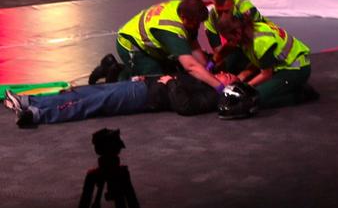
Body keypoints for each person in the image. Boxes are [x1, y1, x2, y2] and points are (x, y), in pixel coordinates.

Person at [5, 74, 218, 128]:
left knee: (92, 103)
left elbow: (185, 106)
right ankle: (28, 100)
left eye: (230, 76)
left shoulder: (212, 94)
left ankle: (36, 114)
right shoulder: (207, 79)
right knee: (85, 93)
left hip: (144, 97)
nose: (225, 73)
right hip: (143, 86)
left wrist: (171, 83)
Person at [113, 0, 234, 91]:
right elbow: (190, 66)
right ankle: (120, 77)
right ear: (183, 18)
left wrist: (207, 67)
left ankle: (127, 69)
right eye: (195, 23)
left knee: (173, 71)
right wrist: (220, 87)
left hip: (150, 43)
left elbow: (193, 44)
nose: (197, 26)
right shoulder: (171, 30)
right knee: (157, 84)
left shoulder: (185, 8)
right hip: (131, 46)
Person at [214, 11, 316, 110]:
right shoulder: (247, 32)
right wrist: (242, 76)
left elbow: (266, 74)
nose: (229, 41)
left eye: (229, 38)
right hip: (282, 68)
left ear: (237, 32)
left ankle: (301, 94)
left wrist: (244, 87)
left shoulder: (260, 41)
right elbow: (261, 62)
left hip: (296, 70)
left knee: (254, 99)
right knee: (255, 91)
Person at [205, 0, 265, 75]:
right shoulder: (212, 17)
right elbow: (218, 50)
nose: (223, 16)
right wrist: (214, 64)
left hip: (258, 43)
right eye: (219, 11)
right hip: (237, 45)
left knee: (249, 72)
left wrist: (245, 73)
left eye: (226, 11)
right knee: (226, 67)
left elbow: (243, 39)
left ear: (233, 3)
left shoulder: (245, 9)